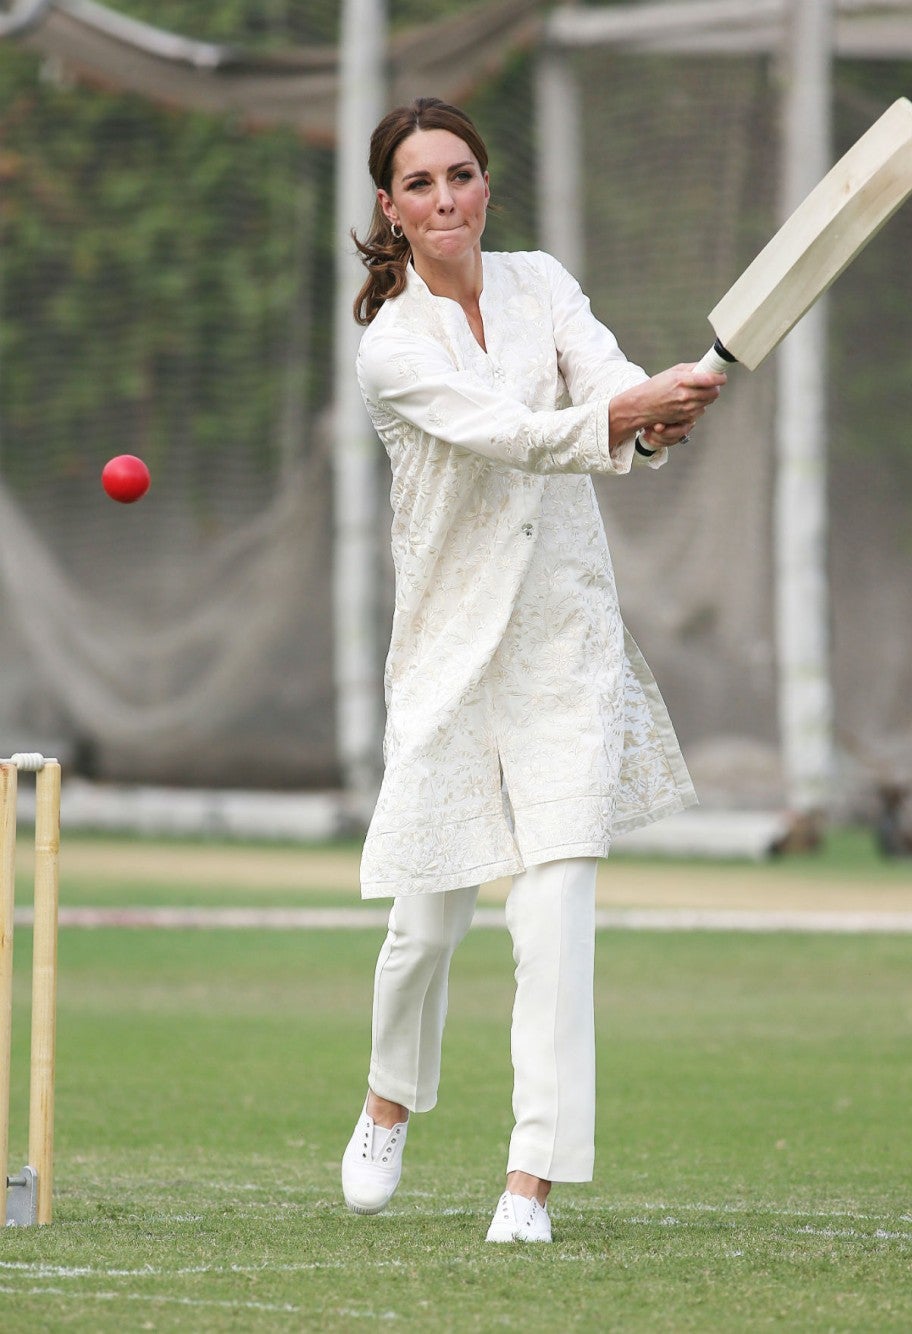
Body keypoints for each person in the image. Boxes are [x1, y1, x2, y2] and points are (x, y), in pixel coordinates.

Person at [340, 97, 725, 1243]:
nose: (445, 198)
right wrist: (626, 414)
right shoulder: (392, 347)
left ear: (485, 185)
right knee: (425, 929)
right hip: (451, 651)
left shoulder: (540, 281)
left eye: (460, 174)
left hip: (564, 638)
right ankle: (388, 1097)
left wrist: (649, 420)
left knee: (553, 916)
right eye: (420, 183)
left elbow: (605, 382)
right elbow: (512, 433)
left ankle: (531, 1178)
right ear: (390, 208)